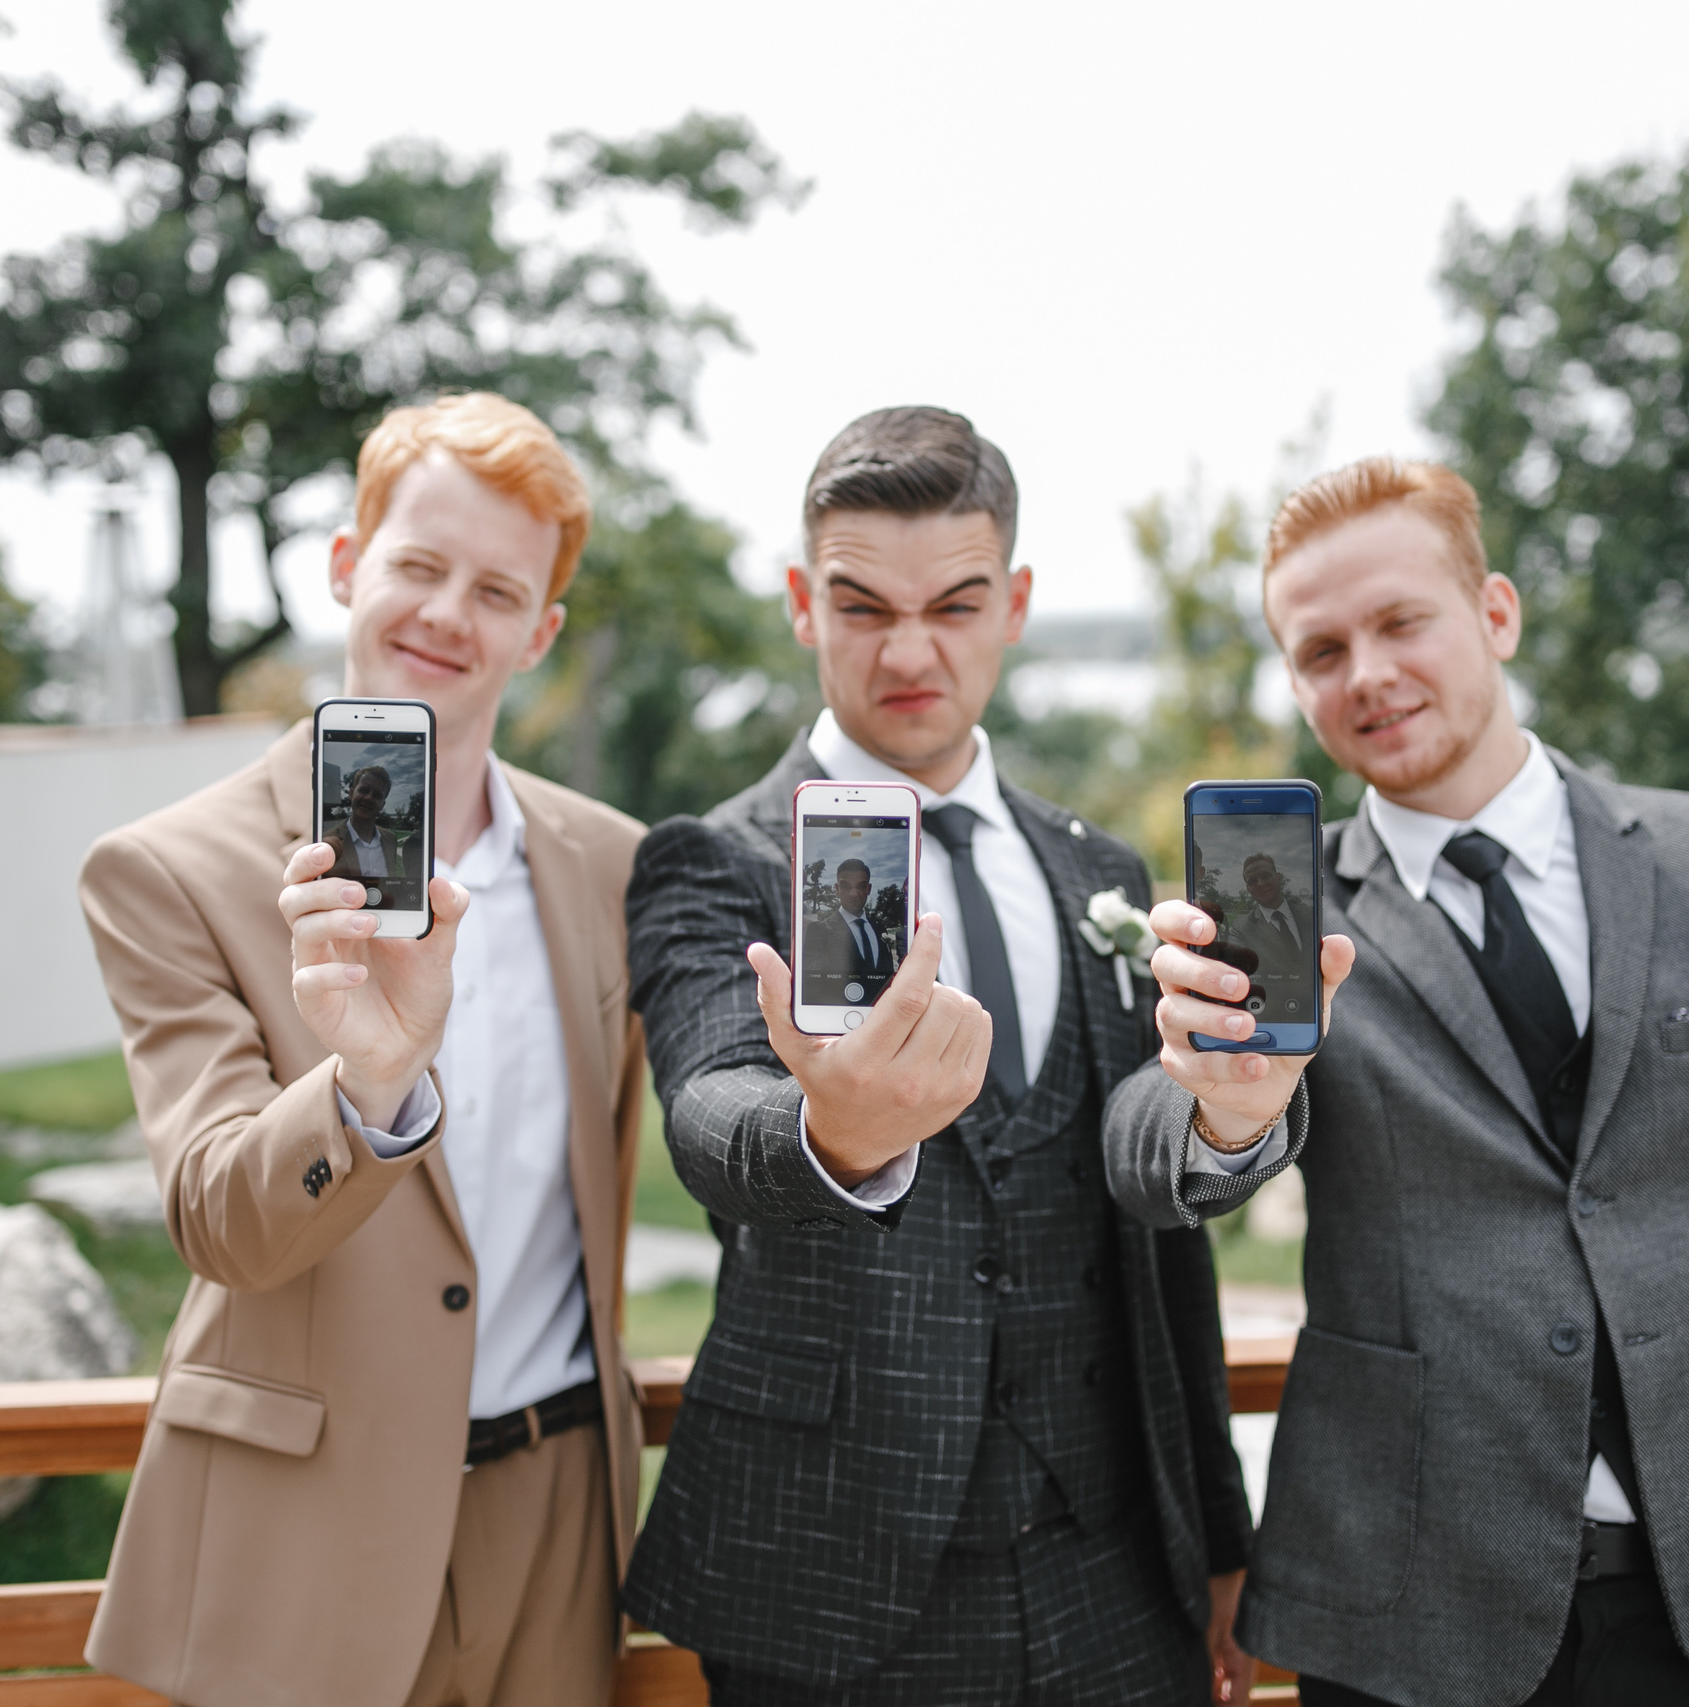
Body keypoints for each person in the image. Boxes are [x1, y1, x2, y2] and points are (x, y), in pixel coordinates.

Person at [1106, 456, 1689, 1707]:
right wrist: (1221, 1105)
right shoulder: (1271, 921)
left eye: (1401, 621)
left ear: (1496, 613)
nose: (1364, 674)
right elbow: (1145, 1156)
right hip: (1406, 1633)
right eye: (1318, 651)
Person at [623, 406, 1308, 1706]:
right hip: (827, 1587)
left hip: (1114, 1574)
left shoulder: (1100, 867)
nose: (911, 648)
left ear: (1017, 603)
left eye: (955, 600)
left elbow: (1163, 1249)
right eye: (863, 604)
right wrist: (833, 1131)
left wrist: (1218, 1535)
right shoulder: (716, 857)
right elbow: (711, 1109)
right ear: (800, 603)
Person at [77, 394, 649, 1707]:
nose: (450, 612)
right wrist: (368, 1082)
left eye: (498, 588)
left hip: (561, 1515)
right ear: (348, 566)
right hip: (309, 1522)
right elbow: (223, 1222)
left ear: (540, 633)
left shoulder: (612, 864)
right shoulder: (168, 869)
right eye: (419, 565)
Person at [325, 763, 425, 901]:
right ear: (351, 793)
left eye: (377, 795)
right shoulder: (328, 841)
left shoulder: (390, 839)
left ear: (383, 804)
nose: (368, 798)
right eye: (364, 790)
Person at [1220, 853, 1304, 991]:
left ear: (1278, 878)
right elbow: (1235, 967)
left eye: (1265, 876)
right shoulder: (1241, 929)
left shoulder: (1310, 914)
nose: (1260, 883)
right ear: (1248, 889)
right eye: (1252, 881)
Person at [804, 857, 895, 985]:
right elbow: (815, 984)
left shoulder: (879, 929)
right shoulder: (819, 931)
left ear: (868, 889)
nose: (853, 893)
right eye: (846, 886)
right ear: (837, 889)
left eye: (861, 886)